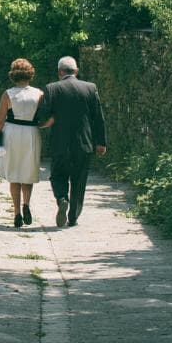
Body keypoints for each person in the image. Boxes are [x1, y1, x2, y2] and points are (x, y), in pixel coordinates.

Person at [36, 56, 107, 228]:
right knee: (79, 180)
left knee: (58, 175)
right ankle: (73, 217)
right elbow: (98, 117)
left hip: (60, 143)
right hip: (84, 143)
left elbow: (42, 115)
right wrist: (101, 142)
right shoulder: (90, 88)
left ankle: (61, 198)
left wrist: (46, 123)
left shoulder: (52, 88)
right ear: (76, 71)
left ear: (60, 72)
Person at [0, 58, 44, 228]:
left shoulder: (8, 94)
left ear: (13, 75)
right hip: (31, 133)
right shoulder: (39, 94)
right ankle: (27, 204)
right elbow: (42, 117)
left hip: (12, 132)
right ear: (30, 74)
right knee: (28, 171)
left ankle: (17, 213)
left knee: (14, 174)